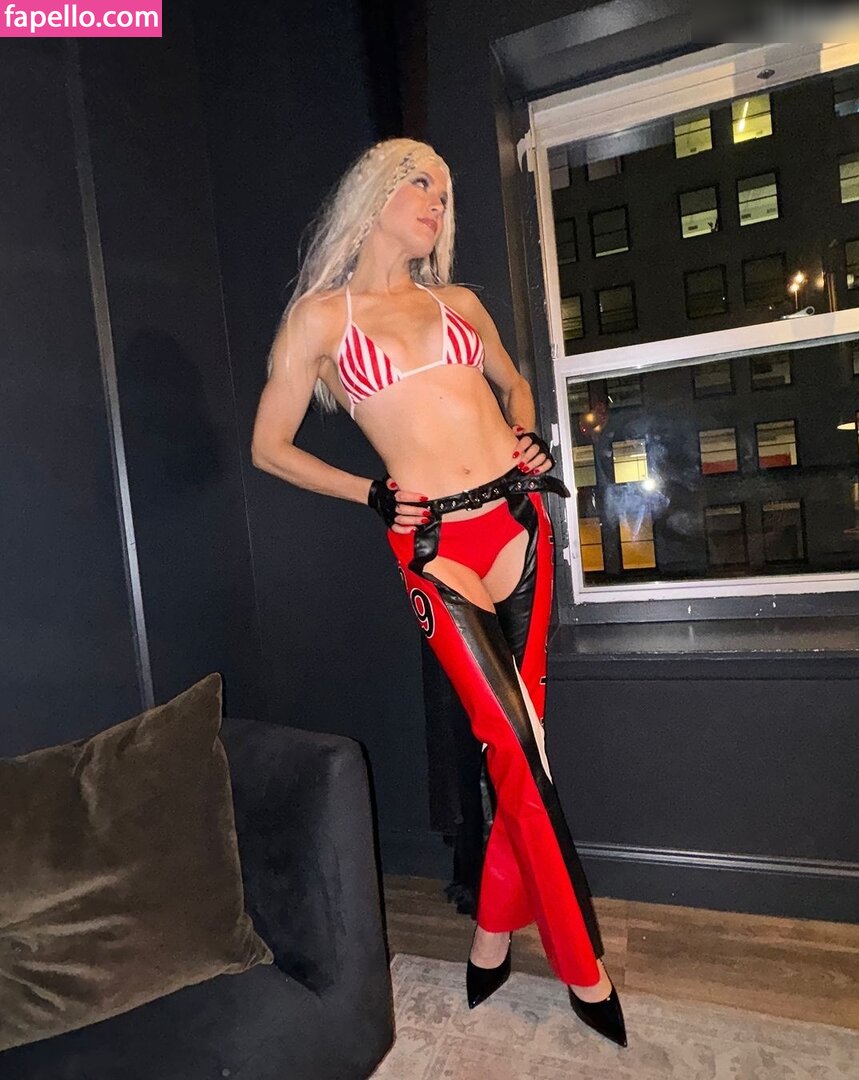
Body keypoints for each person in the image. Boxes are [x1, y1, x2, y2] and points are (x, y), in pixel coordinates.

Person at [250, 137, 627, 1049]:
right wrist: (370, 492)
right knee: (515, 743)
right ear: (375, 191)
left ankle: (493, 932)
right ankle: (585, 967)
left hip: (519, 525)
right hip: (435, 546)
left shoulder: (457, 303)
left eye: (445, 192)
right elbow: (268, 447)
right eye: (422, 182)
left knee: (521, 747)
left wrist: (527, 434)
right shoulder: (319, 320)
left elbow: (515, 384)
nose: (437, 201)